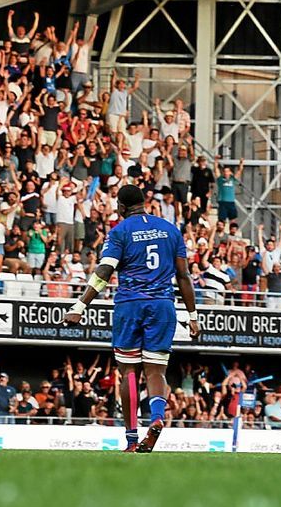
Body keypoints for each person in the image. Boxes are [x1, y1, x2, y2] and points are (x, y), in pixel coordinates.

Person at [65, 184, 201, 452]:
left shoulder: (120, 232)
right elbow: (184, 276)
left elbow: (105, 269)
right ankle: (158, 418)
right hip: (163, 306)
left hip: (130, 305)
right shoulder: (171, 230)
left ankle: (130, 440)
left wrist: (80, 305)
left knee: (128, 371)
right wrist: (193, 315)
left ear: (122, 207)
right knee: (156, 371)